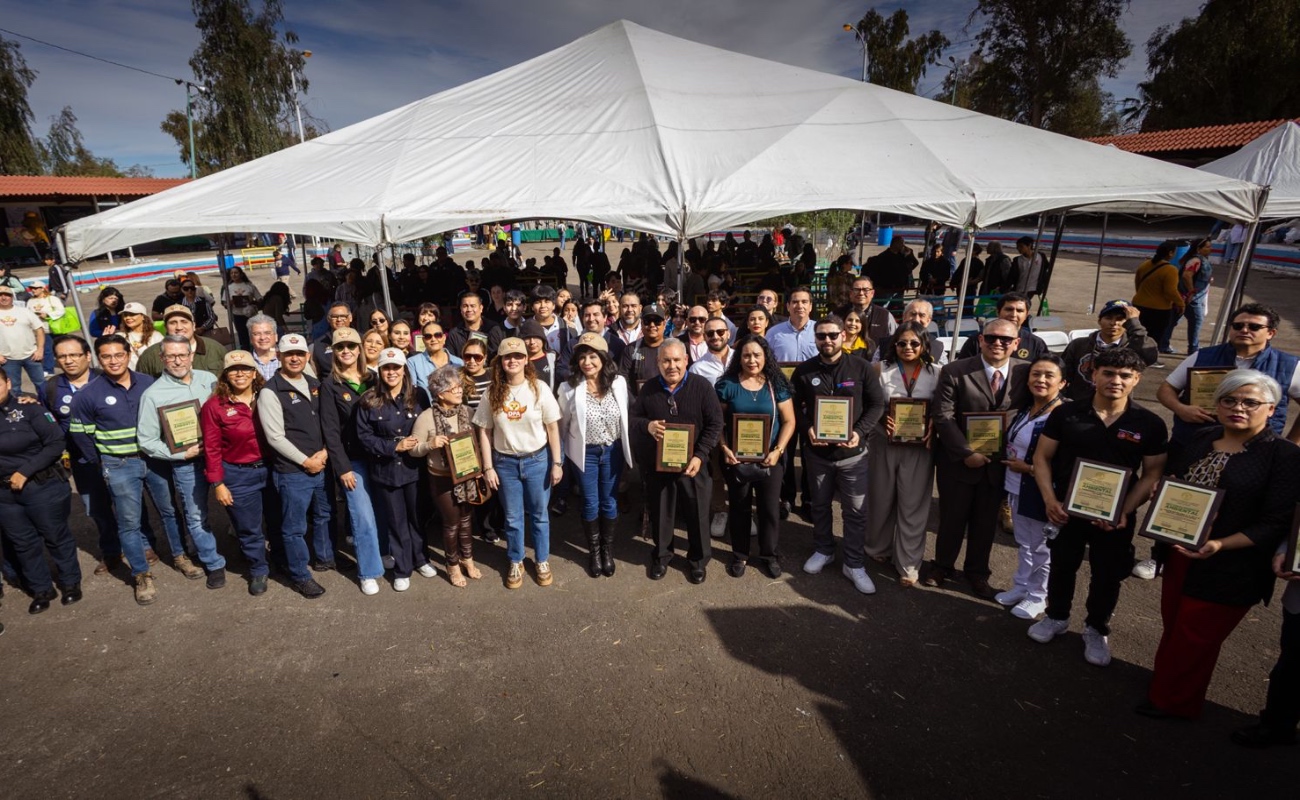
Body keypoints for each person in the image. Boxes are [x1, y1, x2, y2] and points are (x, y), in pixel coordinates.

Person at [1138, 370, 1300, 719]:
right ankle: (1164, 686)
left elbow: (1274, 523)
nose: (1238, 407)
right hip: (1181, 553)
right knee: (1175, 626)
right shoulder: (1202, 437)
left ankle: (1174, 704)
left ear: (1271, 409)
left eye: (1250, 402)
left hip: (1231, 567)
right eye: (1229, 400)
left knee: (1196, 639)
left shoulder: (1283, 457)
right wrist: (1164, 490)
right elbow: (1177, 480)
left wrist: (1219, 545)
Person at [1029, 347, 1168, 666]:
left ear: (1137, 380)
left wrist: (1125, 511)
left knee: (1107, 575)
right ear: (1094, 374)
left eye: (1124, 375)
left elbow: (1152, 475)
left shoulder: (1149, 424)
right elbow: (1042, 458)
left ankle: (1095, 628)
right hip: (1066, 510)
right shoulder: (1066, 413)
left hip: (1115, 518)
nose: (1115, 380)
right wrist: (1051, 501)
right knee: (1062, 567)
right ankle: (1056, 616)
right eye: (1108, 373)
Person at [69, 335, 183, 606]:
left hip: (154, 459)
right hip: (118, 464)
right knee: (129, 522)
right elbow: (81, 436)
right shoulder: (87, 395)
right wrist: (103, 462)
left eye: (118, 354)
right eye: (106, 356)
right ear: (97, 359)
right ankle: (142, 574)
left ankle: (181, 555)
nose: (113, 360)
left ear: (128, 354)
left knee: (169, 510)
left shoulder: (148, 383)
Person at [928, 318, 1031, 597]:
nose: (998, 343)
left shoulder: (1026, 374)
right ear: (981, 340)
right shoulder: (955, 370)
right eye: (992, 338)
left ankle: (977, 573)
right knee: (951, 518)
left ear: (1016, 344)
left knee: (985, 523)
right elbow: (943, 416)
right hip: (958, 462)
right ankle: (942, 566)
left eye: (1006, 339)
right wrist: (966, 452)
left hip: (999, 464)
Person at [791, 315, 888, 594]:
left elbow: (876, 405)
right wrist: (807, 427)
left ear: (843, 336)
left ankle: (854, 563)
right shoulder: (804, 371)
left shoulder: (861, 368)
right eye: (821, 336)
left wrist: (859, 431)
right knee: (819, 506)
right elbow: (795, 406)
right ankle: (824, 549)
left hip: (853, 455)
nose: (827, 340)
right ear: (816, 339)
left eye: (833, 335)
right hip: (818, 455)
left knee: (855, 512)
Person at [136, 335, 227, 589]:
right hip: (187, 463)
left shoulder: (208, 380)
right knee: (197, 516)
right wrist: (178, 454)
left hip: (219, 456)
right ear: (162, 359)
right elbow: (146, 440)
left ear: (190, 354)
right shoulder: (153, 395)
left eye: (182, 355)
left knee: (236, 505)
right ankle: (213, 563)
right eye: (171, 356)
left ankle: (247, 550)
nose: (178, 361)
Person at [630, 339, 724, 584]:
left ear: (686, 361)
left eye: (676, 360)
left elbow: (715, 423)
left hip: (693, 464)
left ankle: (698, 560)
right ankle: (662, 555)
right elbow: (633, 420)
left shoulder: (701, 387)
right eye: (666, 360)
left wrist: (700, 455)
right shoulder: (649, 389)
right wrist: (647, 425)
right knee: (662, 513)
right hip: (659, 465)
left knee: (697, 514)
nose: (671, 365)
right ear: (658, 363)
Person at [476, 338, 563, 589]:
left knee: (539, 515)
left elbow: (552, 427)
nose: (512, 360)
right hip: (505, 463)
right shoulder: (492, 391)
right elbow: (484, 431)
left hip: (537, 460)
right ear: (500, 362)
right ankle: (516, 559)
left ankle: (542, 559)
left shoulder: (539, 388)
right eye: (506, 357)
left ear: (526, 360)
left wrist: (557, 462)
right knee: (513, 517)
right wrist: (488, 466)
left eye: (517, 356)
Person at [257, 333, 334, 598]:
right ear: (278, 355)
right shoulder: (270, 391)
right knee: (294, 527)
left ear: (307, 356)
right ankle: (300, 574)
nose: (294, 358)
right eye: (289, 353)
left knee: (323, 516)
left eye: (299, 353)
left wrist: (324, 453)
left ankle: (325, 558)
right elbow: (275, 436)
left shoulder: (314, 383)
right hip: (294, 471)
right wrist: (306, 461)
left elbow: (326, 423)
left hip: (321, 463)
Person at [0, 368, 82, 614]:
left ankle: (70, 583)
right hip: (4, 494)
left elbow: (56, 442)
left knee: (55, 536)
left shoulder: (30, 409)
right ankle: (41, 589)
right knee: (22, 543)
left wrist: (25, 471)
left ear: (8, 382)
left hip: (40, 485)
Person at [865, 322, 939, 586]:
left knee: (913, 505)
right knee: (881, 498)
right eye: (902, 343)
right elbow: (868, 404)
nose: (908, 348)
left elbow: (943, 408)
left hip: (919, 448)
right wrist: (882, 417)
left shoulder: (936, 373)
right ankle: (877, 547)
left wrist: (933, 422)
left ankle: (908, 563)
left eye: (914, 343)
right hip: (884, 442)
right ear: (894, 346)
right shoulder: (879, 370)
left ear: (924, 345)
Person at [715, 334, 795, 579]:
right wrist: (724, 447)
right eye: (746, 355)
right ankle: (740, 554)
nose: (751, 360)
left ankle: (769, 554)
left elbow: (790, 421)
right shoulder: (726, 385)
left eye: (757, 355)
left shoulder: (776, 384)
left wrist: (777, 450)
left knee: (769, 510)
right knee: (739, 508)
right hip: (735, 459)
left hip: (770, 459)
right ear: (739, 358)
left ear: (765, 357)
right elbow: (717, 422)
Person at [356, 348, 434, 593]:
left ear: (404, 369)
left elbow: (428, 422)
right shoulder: (369, 400)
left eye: (396, 367)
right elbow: (364, 437)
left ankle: (421, 558)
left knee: (416, 516)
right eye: (386, 367)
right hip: (386, 469)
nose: (391, 372)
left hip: (414, 467)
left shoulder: (419, 395)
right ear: (379, 370)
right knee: (396, 520)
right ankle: (402, 568)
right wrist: (393, 446)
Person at [996, 354, 1068, 619]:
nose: (1041, 380)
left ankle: (1038, 596)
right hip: (1016, 486)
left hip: (1041, 491)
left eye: (1049, 375)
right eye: (1036, 374)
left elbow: (1062, 463)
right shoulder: (1027, 409)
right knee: (1025, 542)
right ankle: (1022, 586)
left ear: (1063, 383)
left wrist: (1027, 468)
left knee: (1042, 547)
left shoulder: (1063, 416)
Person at [558, 333, 633, 578]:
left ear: (603, 358)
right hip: (585, 453)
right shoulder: (568, 388)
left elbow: (628, 415)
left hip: (612, 451)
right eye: (582, 357)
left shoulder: (618, 383)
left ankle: (607, 549)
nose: (587, 362)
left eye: (592, 356)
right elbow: (562, 425)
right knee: (590, 502)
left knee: (609, 501)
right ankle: (594, 551)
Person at [317, 327, 385, 595]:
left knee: (382, 511)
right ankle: (368, 571)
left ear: (360, 349)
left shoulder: (374, 379)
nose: (346, 351)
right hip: (352, 462)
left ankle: (385, 553)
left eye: (351, 346)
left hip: (379, 457)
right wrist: (342, 467)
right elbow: (330, 432)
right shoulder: (329, 385)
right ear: (334, 352)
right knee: (363, 517)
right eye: (340, 347)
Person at [200, 351, 273, 595]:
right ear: (225, 375)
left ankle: (282, 561)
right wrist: (217, 483)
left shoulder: (268, 397)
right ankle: (258, 569)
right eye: (233, 369)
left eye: (245, 369)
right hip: (238, 475)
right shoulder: (214, 406)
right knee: (249, 528)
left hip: (272, 468)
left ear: (255, 373)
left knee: (278, 520)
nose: (239, 374)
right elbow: (211, 448)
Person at [46, 335, 120, 575]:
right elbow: (47, 423)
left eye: (74, 355)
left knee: (128, 502)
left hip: (116, 454)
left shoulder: (108, 378)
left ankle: (144, 544)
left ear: (87, 356)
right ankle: (111, 551)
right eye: (62, 356)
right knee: (97, 508)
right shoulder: (51, 388)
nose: (69, 361)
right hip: (82, 460)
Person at [411, 365, 484, 587]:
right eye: (454, 388)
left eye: (459, 386)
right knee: (451, 523)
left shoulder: (468, 412)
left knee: (466, 519)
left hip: (466, 476)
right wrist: (429, 444)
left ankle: (467, 559)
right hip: (441, 477)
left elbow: (479, 441)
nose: (459, 390)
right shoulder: (426, 418)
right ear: (440, 394)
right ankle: (452, 565)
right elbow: (413, 449)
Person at [769, 287, 817, 519]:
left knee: (811, 453)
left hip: (813, 405)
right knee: (785, 452)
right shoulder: (774, 333)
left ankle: (808, 499)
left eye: (804, 302)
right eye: (795, 302)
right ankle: (786, 498)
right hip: (783, 404)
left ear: (810, 306)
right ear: (787, 306)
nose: (799, 306)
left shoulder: (820, 331)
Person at [1061, 300, 1158, 402]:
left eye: (1120, 319)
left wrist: (1135, 325)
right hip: (1078, 403)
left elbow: (1150, 357)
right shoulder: (1079, 345)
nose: (1113, 323)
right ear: (1099, 320)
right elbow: (1062, 374)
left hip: (1116, 405)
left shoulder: (1133, 347)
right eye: (1108, 318)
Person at [135, 305, 227, 378]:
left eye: (184, 321)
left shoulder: (215, 349)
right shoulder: (150, 355)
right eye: (173, 323)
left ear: (194, 325)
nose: (179, 327)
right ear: (166, 327)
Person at [955, 293, 1047, 362]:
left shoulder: (1036, 344)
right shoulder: (977, 340)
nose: (1014, 315)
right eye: (1009, 309)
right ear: (998, 312)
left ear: (1026, 315)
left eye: (1019, 311)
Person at [1132, 240, 1184, 355]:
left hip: (1139, 303)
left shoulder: (1145, 265)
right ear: (1170, 253)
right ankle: (1150, 357)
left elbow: (1138, 283)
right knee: (1155, 336)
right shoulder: (1171, 270)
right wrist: (1180, 303)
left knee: (1138, 333)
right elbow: (1170, 291)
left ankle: (1135, 354)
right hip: (1159, 308)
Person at [0, 285, 45, 399]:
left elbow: (39, 330)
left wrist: (40, 349)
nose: (4, 298)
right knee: (13, 388)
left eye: (7, 295)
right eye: (0, 295)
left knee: (41, 384)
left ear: (12, 297)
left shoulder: (25, 311)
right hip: (8, 359)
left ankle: (47, 408)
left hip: (31, 355)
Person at [1178, 237, 1214, 354]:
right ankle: (1193, 348)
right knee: (1196, 320)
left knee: (1175, 319)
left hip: (1196, 296)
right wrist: (1191, 291)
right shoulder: (1196, 260)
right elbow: (1186, 276)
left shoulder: (1201, 260)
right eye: (1207, 247)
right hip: (1193, 298)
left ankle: (1164, 343)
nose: (1210, 249)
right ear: (1199, 249)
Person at [837, 277, 897, 345]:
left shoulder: (885, 316)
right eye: (857, 290)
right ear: (850, 293)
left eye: (866, 290)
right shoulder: (836, 315)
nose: (861, 293)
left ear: (872, 293)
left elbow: (895, 341)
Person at [619, 309, 667, 394]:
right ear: (641, 324)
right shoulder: (631, 349)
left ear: (664, 324)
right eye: (647, 321)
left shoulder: (674, 348)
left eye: (657, 321)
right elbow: (623, 381)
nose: (652, 325)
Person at [24, 280, 64, 375]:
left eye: (36, 288)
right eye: (32, 288)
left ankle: (50, 368)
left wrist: (48, 315)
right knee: (47, 350)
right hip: (41, 330)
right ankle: (48, 370)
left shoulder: (51, 299)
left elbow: (61, 310)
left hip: (53, 328)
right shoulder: (30, 301)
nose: (33, 290)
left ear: (42, 288)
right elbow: (27, 313)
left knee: (56, 349)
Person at [445, 291, 497, 359]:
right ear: (461, 309)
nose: (469, 309)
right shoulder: (454, 334)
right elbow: (451, 361)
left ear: (481, 308)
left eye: (473, 306)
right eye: (465, 306)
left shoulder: (493, 329)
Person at [222, 266, 262, 349]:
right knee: (242, 337)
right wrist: (231, 302)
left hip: (251, 315)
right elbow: (225, 304)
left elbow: (260, 299)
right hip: (237, 315)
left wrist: (251, 301)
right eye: (232, 273)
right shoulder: (228, 288)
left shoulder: (249, 286)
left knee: (255, 334)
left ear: (241, 274)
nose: (234, 275)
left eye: (236, 272)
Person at [119, 301, 160, 371]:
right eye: (125, 315)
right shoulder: (120, 336)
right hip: (131, 377)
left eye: (132, 314)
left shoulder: (156, 336)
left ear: (143, 317)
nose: (128, 318)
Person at [246, 314, 280, 380]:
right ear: (250, 339)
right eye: (257, 334)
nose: (262, 337)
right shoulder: (245, 362)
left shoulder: (287, 360)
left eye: (267, 333)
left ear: (276, 337)